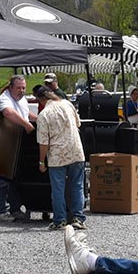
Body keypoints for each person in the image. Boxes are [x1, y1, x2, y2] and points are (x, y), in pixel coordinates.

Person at [34, 84, 86, 229]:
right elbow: (78, 124)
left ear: (39, 99)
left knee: (58, 189)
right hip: (76, 150)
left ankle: (60, 220)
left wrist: (41, 161)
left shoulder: (44, 115)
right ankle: (78, 218)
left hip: (57, 156)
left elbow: (43, 142)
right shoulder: (67, 104)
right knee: (77, 186)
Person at [0, 75, 34, 222]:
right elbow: (8, 113)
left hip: (16, 143)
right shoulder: (4, 99)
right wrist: (27, 125)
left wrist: (41, 119)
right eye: (19, 88)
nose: (22, 91)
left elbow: (25, 115)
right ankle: (1, 211)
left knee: (15, 179)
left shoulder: (22, 100)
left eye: (23, 88)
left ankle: (15, 209)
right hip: (2, 144)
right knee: (1, 179)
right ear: (11, 88)